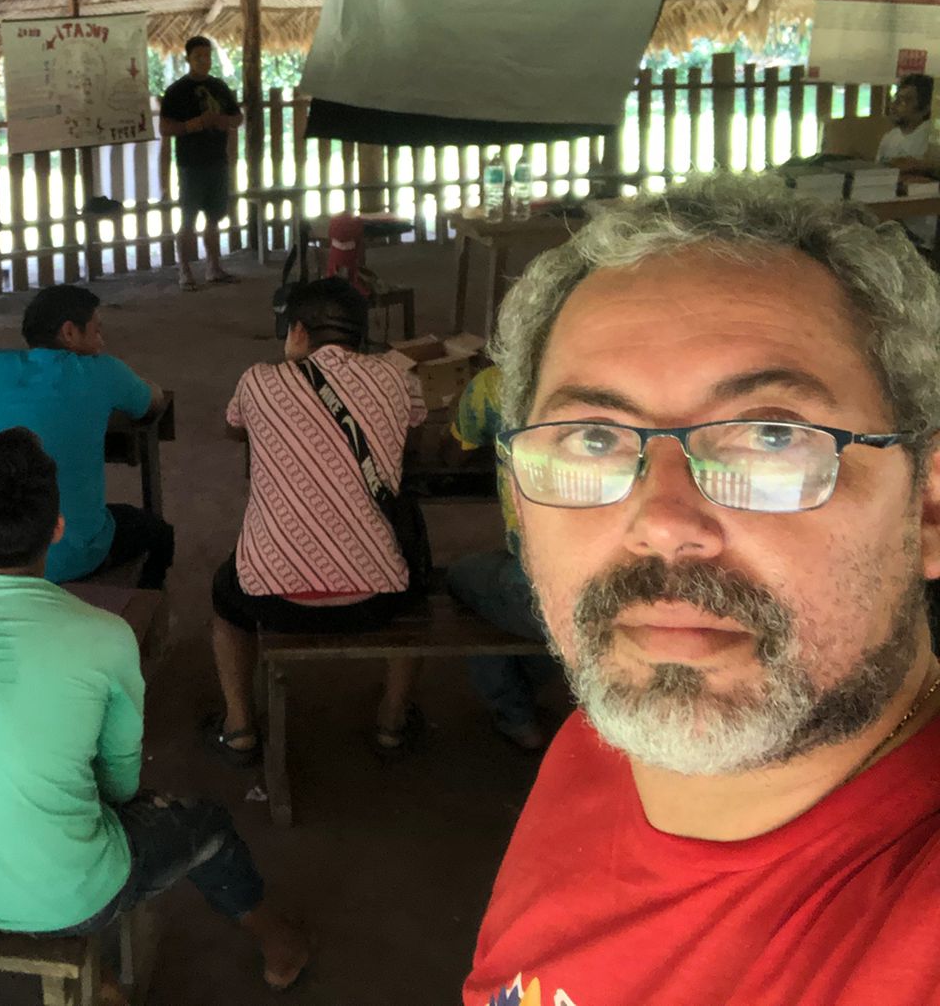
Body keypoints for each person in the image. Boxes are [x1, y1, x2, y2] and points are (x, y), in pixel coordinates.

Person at [463, 175, 940, 1005]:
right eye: (595, 438)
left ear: (929, 507)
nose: (662, 523)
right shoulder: (598, 743)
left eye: (771, 435)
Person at [0, 428, 312, 990]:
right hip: (75, 896)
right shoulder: (104, 636)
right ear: (58, 530)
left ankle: (102, 976)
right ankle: (280, 942)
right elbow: (120, 783)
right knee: (206, 826)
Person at [210, 278, 428, 764]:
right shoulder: (398, 378)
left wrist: (292, 370)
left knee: (224, 603)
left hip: (270, 598)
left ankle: (239, 728)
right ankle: (392, 722)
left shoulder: (258, 381)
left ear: (297, 331)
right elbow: (411, 434)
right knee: (419, 583)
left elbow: (233, 428)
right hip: (377, 599)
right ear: (360, 334)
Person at [0, 284, 172, 588]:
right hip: (65, 556)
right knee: (159, 533)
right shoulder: (103, 372)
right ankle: (147, 603)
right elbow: (152, 402)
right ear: (69, 332)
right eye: (96, 330)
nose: (101, 341)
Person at [444, 365, 554, 751]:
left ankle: (515, 714)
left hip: (541, 592)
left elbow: (453, 457)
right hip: (606, 582)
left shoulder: (494, 385)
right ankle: (527, 684)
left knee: (459, 580)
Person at [159, 35, 242, 291]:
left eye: (207, 56)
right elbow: (165, 128)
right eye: (198, 57)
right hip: (190, 164)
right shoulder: (176, 91)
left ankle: (213, 267)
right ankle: (184, 271)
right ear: (188, 59)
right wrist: (190, 126)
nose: (204, 61)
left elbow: (238, 118)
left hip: (217, 161)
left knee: (214, 218)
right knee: (188, 220)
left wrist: (223, 121)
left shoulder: (220, 87)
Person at [877, 73, 940, 246]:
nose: (895, 105)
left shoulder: (931, 138)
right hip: (889, 219)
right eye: (896, 98)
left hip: (920, 229)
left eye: (906, 100)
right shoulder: (890, 137)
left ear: (925, 108)